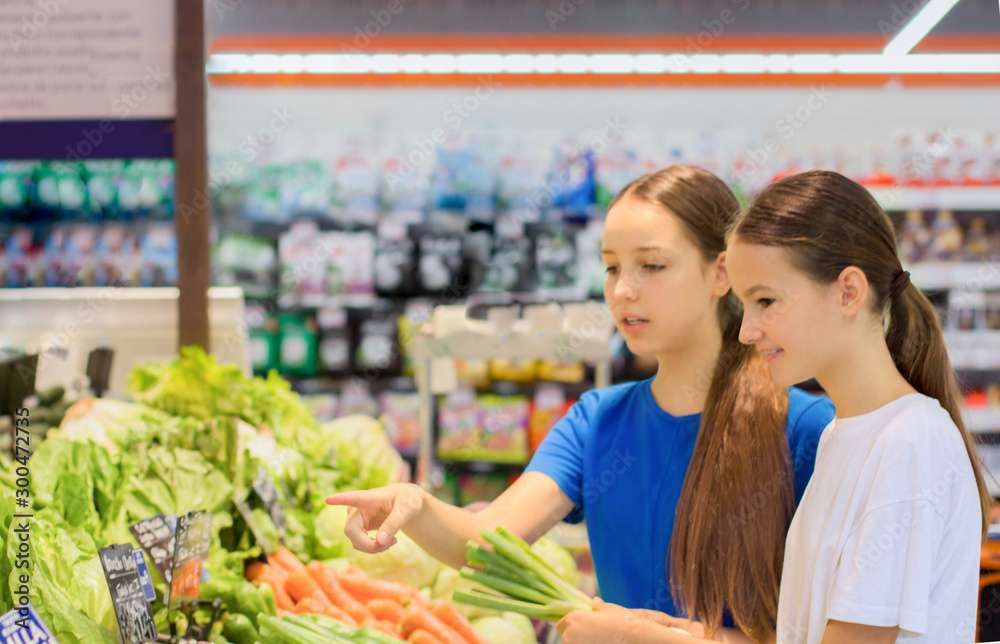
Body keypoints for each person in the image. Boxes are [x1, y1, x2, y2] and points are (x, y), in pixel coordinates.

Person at [327, 165, 834, 643]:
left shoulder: (807, 430)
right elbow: (485, 543)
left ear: (721, 272)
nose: (623, 291)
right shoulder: (596, 421)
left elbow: (839, 628)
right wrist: (415, 507)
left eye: (652, 265)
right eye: (612, 268)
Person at [726, 170, 991, 644]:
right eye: (744, 305)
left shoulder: (910, 442)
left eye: (765, 300)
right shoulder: (842, 434)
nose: (747, 330)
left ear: (849, 291)